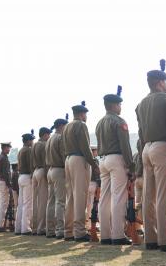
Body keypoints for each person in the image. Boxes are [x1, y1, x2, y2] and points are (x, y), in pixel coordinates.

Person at [136, 59, 166, 252]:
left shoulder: (140, 104)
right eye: (165, 82)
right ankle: (165, 239)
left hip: (146, 148)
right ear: (160, 83)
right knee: (163, 195)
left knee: (149, 196)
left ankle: (151, 238)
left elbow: (139, 134)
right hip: (161, 146)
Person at [96, 85, 134, 245]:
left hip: (103, 160)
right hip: (116, 159)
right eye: (119, 104)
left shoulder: (99, 123)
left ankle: (105, 235)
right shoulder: (119, 121)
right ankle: (118, 234)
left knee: (104, 199)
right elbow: (125, 146)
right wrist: (131, 166)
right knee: (118, 197)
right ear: (114, 105)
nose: (120, 107)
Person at [63, 101, 99, 242]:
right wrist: (93, 163)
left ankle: (69, 231)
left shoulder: (67, 127)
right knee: (80, 196)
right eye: (85, 114)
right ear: (82, 114)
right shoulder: (81, 125)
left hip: (68, 159)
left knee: (70, 197)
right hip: (79, 159)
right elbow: (85, 147)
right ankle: (79, 231)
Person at [45, 116, 68, 239]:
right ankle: (60, 229)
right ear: (61, 126)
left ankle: (50, 229)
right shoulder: (60, 137)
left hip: (50, 170)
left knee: (51, 201)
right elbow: (64, 155)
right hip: (59, 169)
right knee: (61, 201)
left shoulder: (50, 139)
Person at [31, 128, 52, 236]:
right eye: (48, 135)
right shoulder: (44, 145)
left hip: (35, 172)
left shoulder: (34, 144)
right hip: (42, 171)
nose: (49, 137)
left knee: (35, 202)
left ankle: (34, 227)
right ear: (45, 135)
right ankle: (41, 228)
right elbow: (46, 162)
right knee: (43, 202)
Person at [15, 131, 35, 235]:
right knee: (27, 204)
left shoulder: (20, 150)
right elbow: (31, 164)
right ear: (28, 141)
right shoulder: (28, 150)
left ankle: (18, 228)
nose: (33, 142)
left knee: (21, 204)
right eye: (32, 140)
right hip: (27, 177)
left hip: (21, 176)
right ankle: (26, 228)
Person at [0, 142, 13, 232]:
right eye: (8, 148)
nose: (9, 149)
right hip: (3, 182)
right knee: (3, 204)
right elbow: (6, 173)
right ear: (4, 148)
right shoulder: (4, 158)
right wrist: (9, 185)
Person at [86, 146, 100, 230]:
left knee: (87, 205)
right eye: (96, 151)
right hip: (93, 183)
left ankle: (88, 224)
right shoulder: (95, 161)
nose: (97, 152)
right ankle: (92, 224)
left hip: (86, 183)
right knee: (92, 205)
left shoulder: (85, 160)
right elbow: (97, 173)